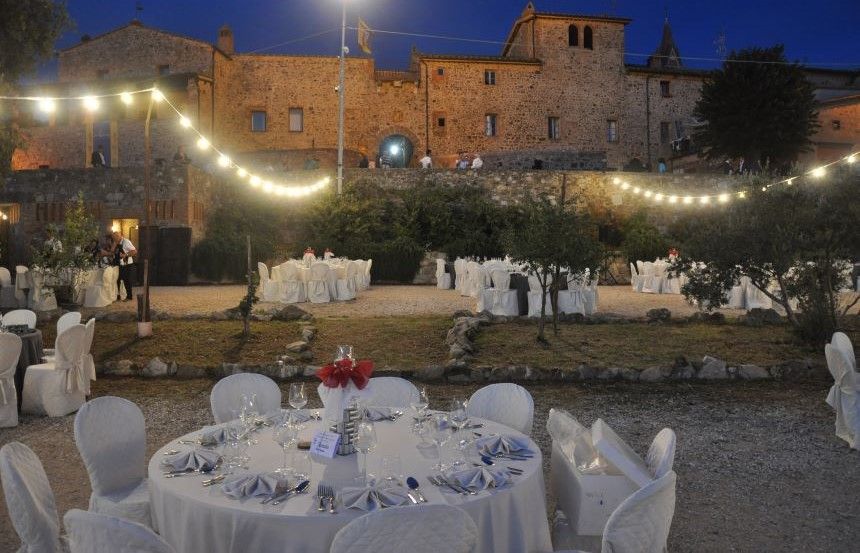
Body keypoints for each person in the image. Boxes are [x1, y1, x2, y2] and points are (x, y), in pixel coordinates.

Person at [112, 230, 136, 302]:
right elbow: (112, 251)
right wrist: (114, 244)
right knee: (119, 280)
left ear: (119, 236)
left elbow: (134, 251)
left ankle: (129, 296)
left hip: (128, 264)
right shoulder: (117, 243)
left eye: (115, 237)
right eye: (113, 238)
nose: (114, 239)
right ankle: (119, 295)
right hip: (121, 264)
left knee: (127, 280)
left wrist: (126, 255)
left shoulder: (126, 242)